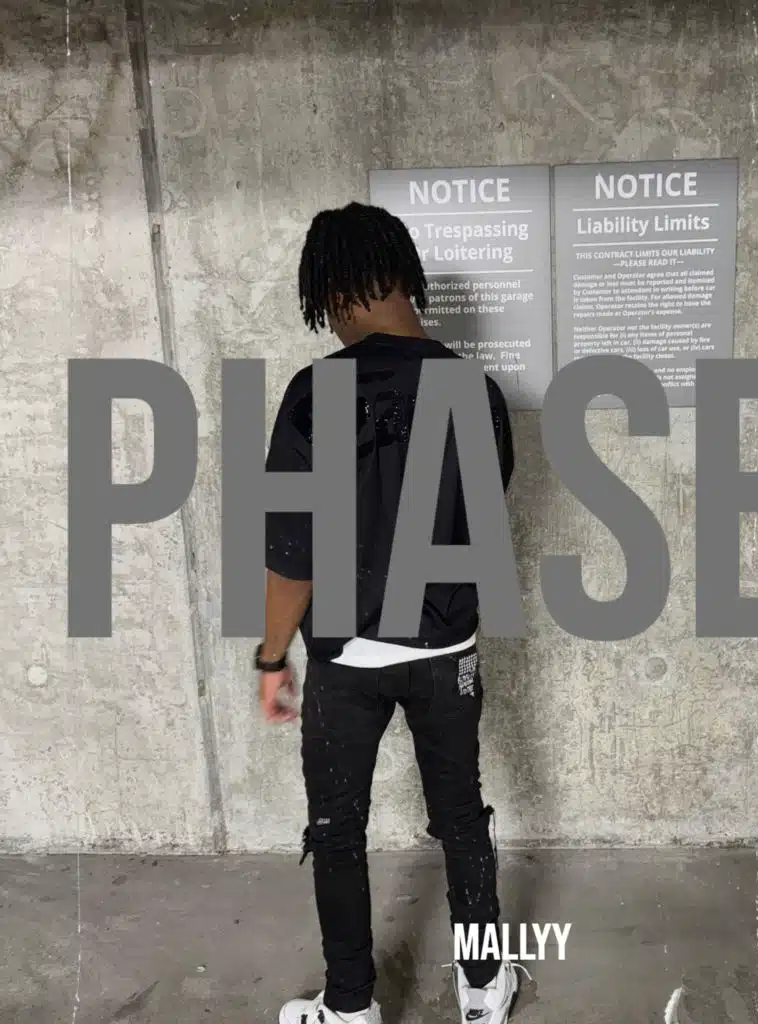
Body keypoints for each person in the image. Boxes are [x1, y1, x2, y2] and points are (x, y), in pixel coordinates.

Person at [255, 203, 522, 1024]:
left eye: (325, 303)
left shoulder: (316, 392)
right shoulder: (479, 393)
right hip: (448, 651)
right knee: (461, 818)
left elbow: (292, 554)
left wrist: (271, 657)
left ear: (335, 292)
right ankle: (485, 988)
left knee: (338, 829)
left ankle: (350, 1008)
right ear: (405, 276)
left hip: (347, 662)